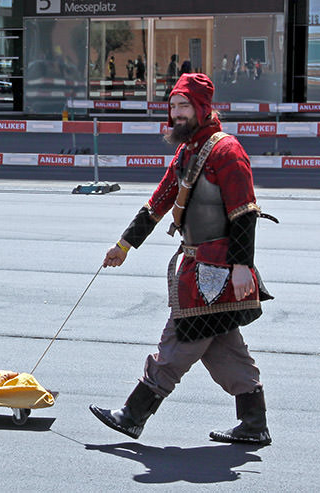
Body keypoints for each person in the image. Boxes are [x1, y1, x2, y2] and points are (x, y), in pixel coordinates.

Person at [89, 73, 273, 446]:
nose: (176, 114)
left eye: (184, 106)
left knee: (178, 341)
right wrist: (123, 246)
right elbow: (157, 203)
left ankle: (133, 415)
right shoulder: (187, 151)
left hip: (217, 272)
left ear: (202, 108)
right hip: (197, 267)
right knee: (225, 349)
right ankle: (254, 424)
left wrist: (241, 267)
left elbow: (245, 213)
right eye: (172, 106)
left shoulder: (227, 150)